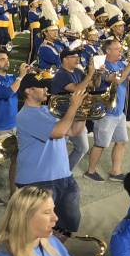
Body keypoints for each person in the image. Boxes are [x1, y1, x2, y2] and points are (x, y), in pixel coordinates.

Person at [15, 74, 86, 236]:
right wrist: (73, 107)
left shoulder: (48, 110)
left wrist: (82, 111)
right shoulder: (25, 115)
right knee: (37, 230)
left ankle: (53, 255)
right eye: (42, 86)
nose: (46, 89)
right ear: (28, 91)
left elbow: (73, 131)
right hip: (38, 181)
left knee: (69, 225)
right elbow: (58, 132)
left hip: (64, 177)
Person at [84, 39, 130, 182]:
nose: (120, 51)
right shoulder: (101, 66)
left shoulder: (122, 64)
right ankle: (90, 171)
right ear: (108, 51)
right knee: (100, 143)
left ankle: (115, 172)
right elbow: (118, 79)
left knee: (121, 141)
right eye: (117, 49)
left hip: (119, 112)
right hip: (106, 112)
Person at [0, 50, 29, 205]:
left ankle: (13, 194)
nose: (6, 61)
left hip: (12, 124)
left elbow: (22, 89)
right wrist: (21, 77)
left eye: (7, 59)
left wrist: (29, 75)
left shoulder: (10, 77)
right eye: (2, 59)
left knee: (16, 157)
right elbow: (8, 93)